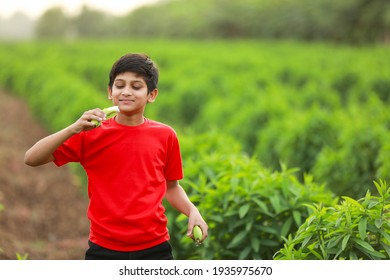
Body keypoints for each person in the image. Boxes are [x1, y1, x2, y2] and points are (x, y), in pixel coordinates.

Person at [24, 53, 208, 260]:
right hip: (104, 248)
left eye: (136, 87)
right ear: (110, 92)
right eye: (120, 86)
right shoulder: (90, 133)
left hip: (155, 247)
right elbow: (31, 158)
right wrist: (73, 128)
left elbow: (171, 187)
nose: (126, 92)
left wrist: (192, 211)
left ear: (152, 94)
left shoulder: (165, 135)